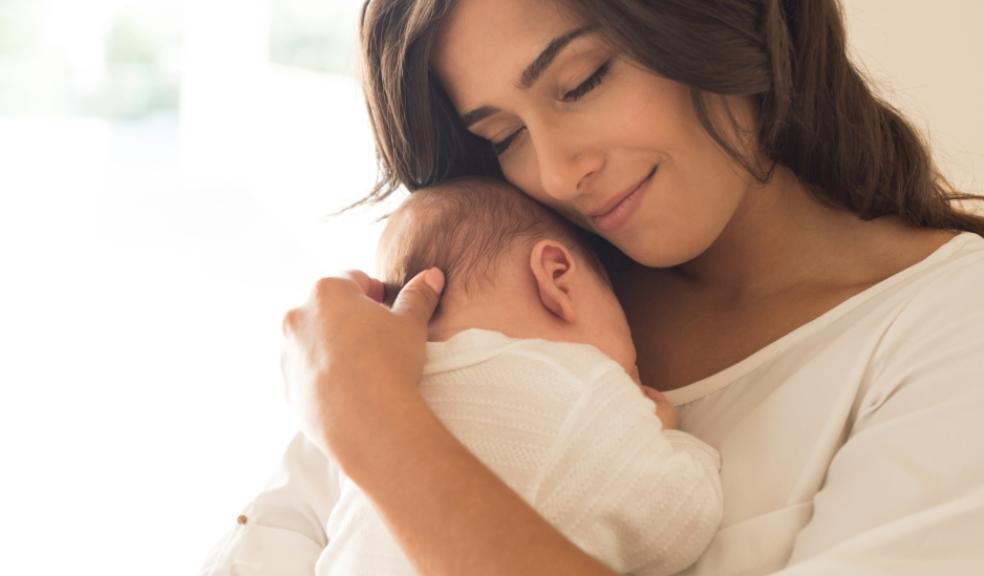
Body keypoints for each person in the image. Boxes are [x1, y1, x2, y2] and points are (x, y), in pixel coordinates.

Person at [222, 0, 984, 574]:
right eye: (504, 137)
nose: (558, 174)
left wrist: (375, 426)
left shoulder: (948, 329)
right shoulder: (509, 300)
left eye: (581, 82)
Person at [199, 178, 723, 575]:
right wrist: (669, 438)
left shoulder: (370, 405)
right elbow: (678, 523)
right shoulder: (583, 387)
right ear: (557, 277)